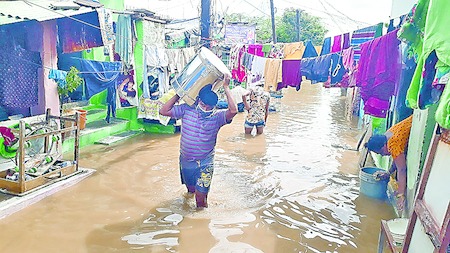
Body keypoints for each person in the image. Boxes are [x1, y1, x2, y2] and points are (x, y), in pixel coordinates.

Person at [159, 75, 237, 208]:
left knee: (200, 201)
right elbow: (163, 111)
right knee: (190, 191)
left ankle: (201, 224)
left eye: (209, 107)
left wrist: (225, 87)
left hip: (205, 163)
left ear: (214, 106)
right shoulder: (186, 109)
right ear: (198, 100)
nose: (205, 109)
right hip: (186, 161)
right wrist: (179, 94)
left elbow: (234, 110)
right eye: (203, 105)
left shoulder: (217, 117)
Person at [364, 115, 413, 212]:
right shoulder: (387, 135)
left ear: (383, 147)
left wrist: (401, 194)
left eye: (380, 153)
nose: (382, 155)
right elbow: (397, 157)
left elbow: (402, 169)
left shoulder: (392, 144)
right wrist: (389, 172)